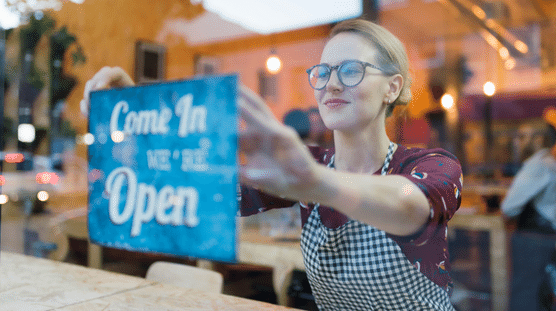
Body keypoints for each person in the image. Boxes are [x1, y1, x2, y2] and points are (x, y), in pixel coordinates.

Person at [82, 18, 462, 310]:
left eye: (350, 70)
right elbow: (198, 188)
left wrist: (315, 183)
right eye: (324, 72)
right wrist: (135, 115)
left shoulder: (429, 165)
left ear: (392, 88)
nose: (330, 84)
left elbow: (410, 205)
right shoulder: (307, 166)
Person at [501, 107, 556, 311]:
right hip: (546, 238)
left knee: (525, 296)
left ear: (539, 140)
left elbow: (509, 207)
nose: (518, 142)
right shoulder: (549, 162)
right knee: (540, 294)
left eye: (524, 136)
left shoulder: (537, 165)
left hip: (534, 240)